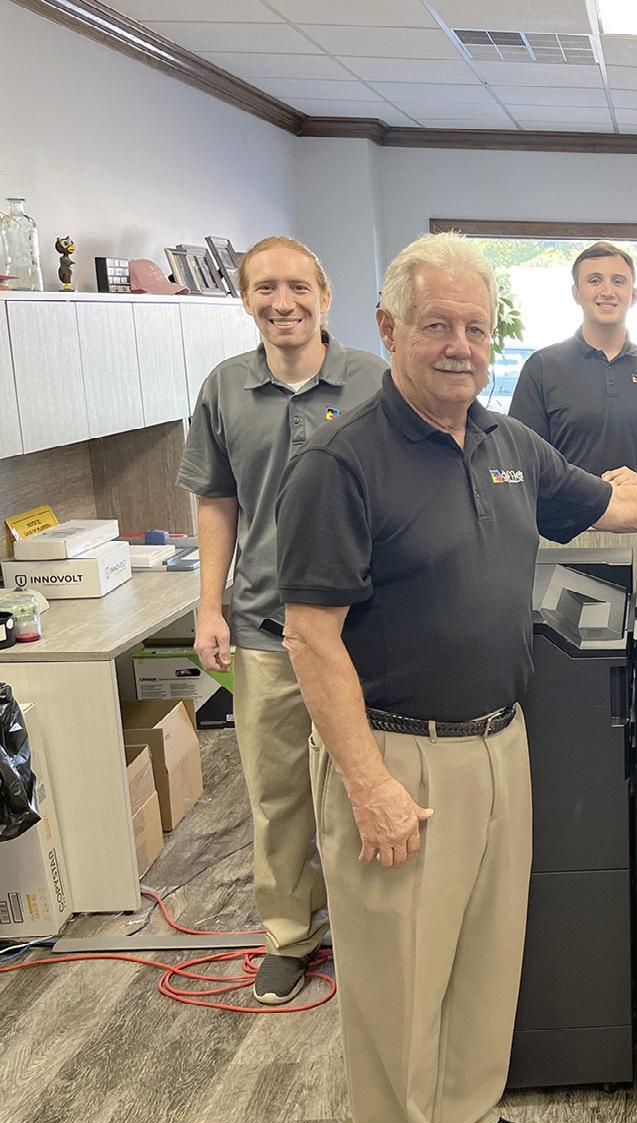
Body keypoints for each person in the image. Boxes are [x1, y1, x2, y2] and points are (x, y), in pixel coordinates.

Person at [275, 232, 637, 1123]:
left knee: (483, 962)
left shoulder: (503, 441)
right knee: (399, 979)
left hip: (498, 740)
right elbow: (310, 636)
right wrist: (367, 784)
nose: (459, 346)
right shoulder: (342, 462)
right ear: (389, 329)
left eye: (475, 328)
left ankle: (467, 1121)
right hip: (399, 755)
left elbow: (617, 503)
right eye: (436, 325)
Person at [177, 235, 386, 1005]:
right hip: (265, 628)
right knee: (278, 794)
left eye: (298, 286)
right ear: (245, 300)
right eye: (265, 287)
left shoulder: (374, 381)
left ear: (325, 297)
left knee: (367, 784)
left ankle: (368, 932)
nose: (283, 301)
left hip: (366, 631)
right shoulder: (225, 389)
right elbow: (216, 501)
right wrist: (210, 605)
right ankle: (290, 935)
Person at [509, 241, 637, 487]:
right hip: (567, 511)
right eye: (594, 280)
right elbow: (523, 454)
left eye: (618, 281)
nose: (607, 291)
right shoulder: (542, 367)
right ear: (576, 293)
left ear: (634, 295)